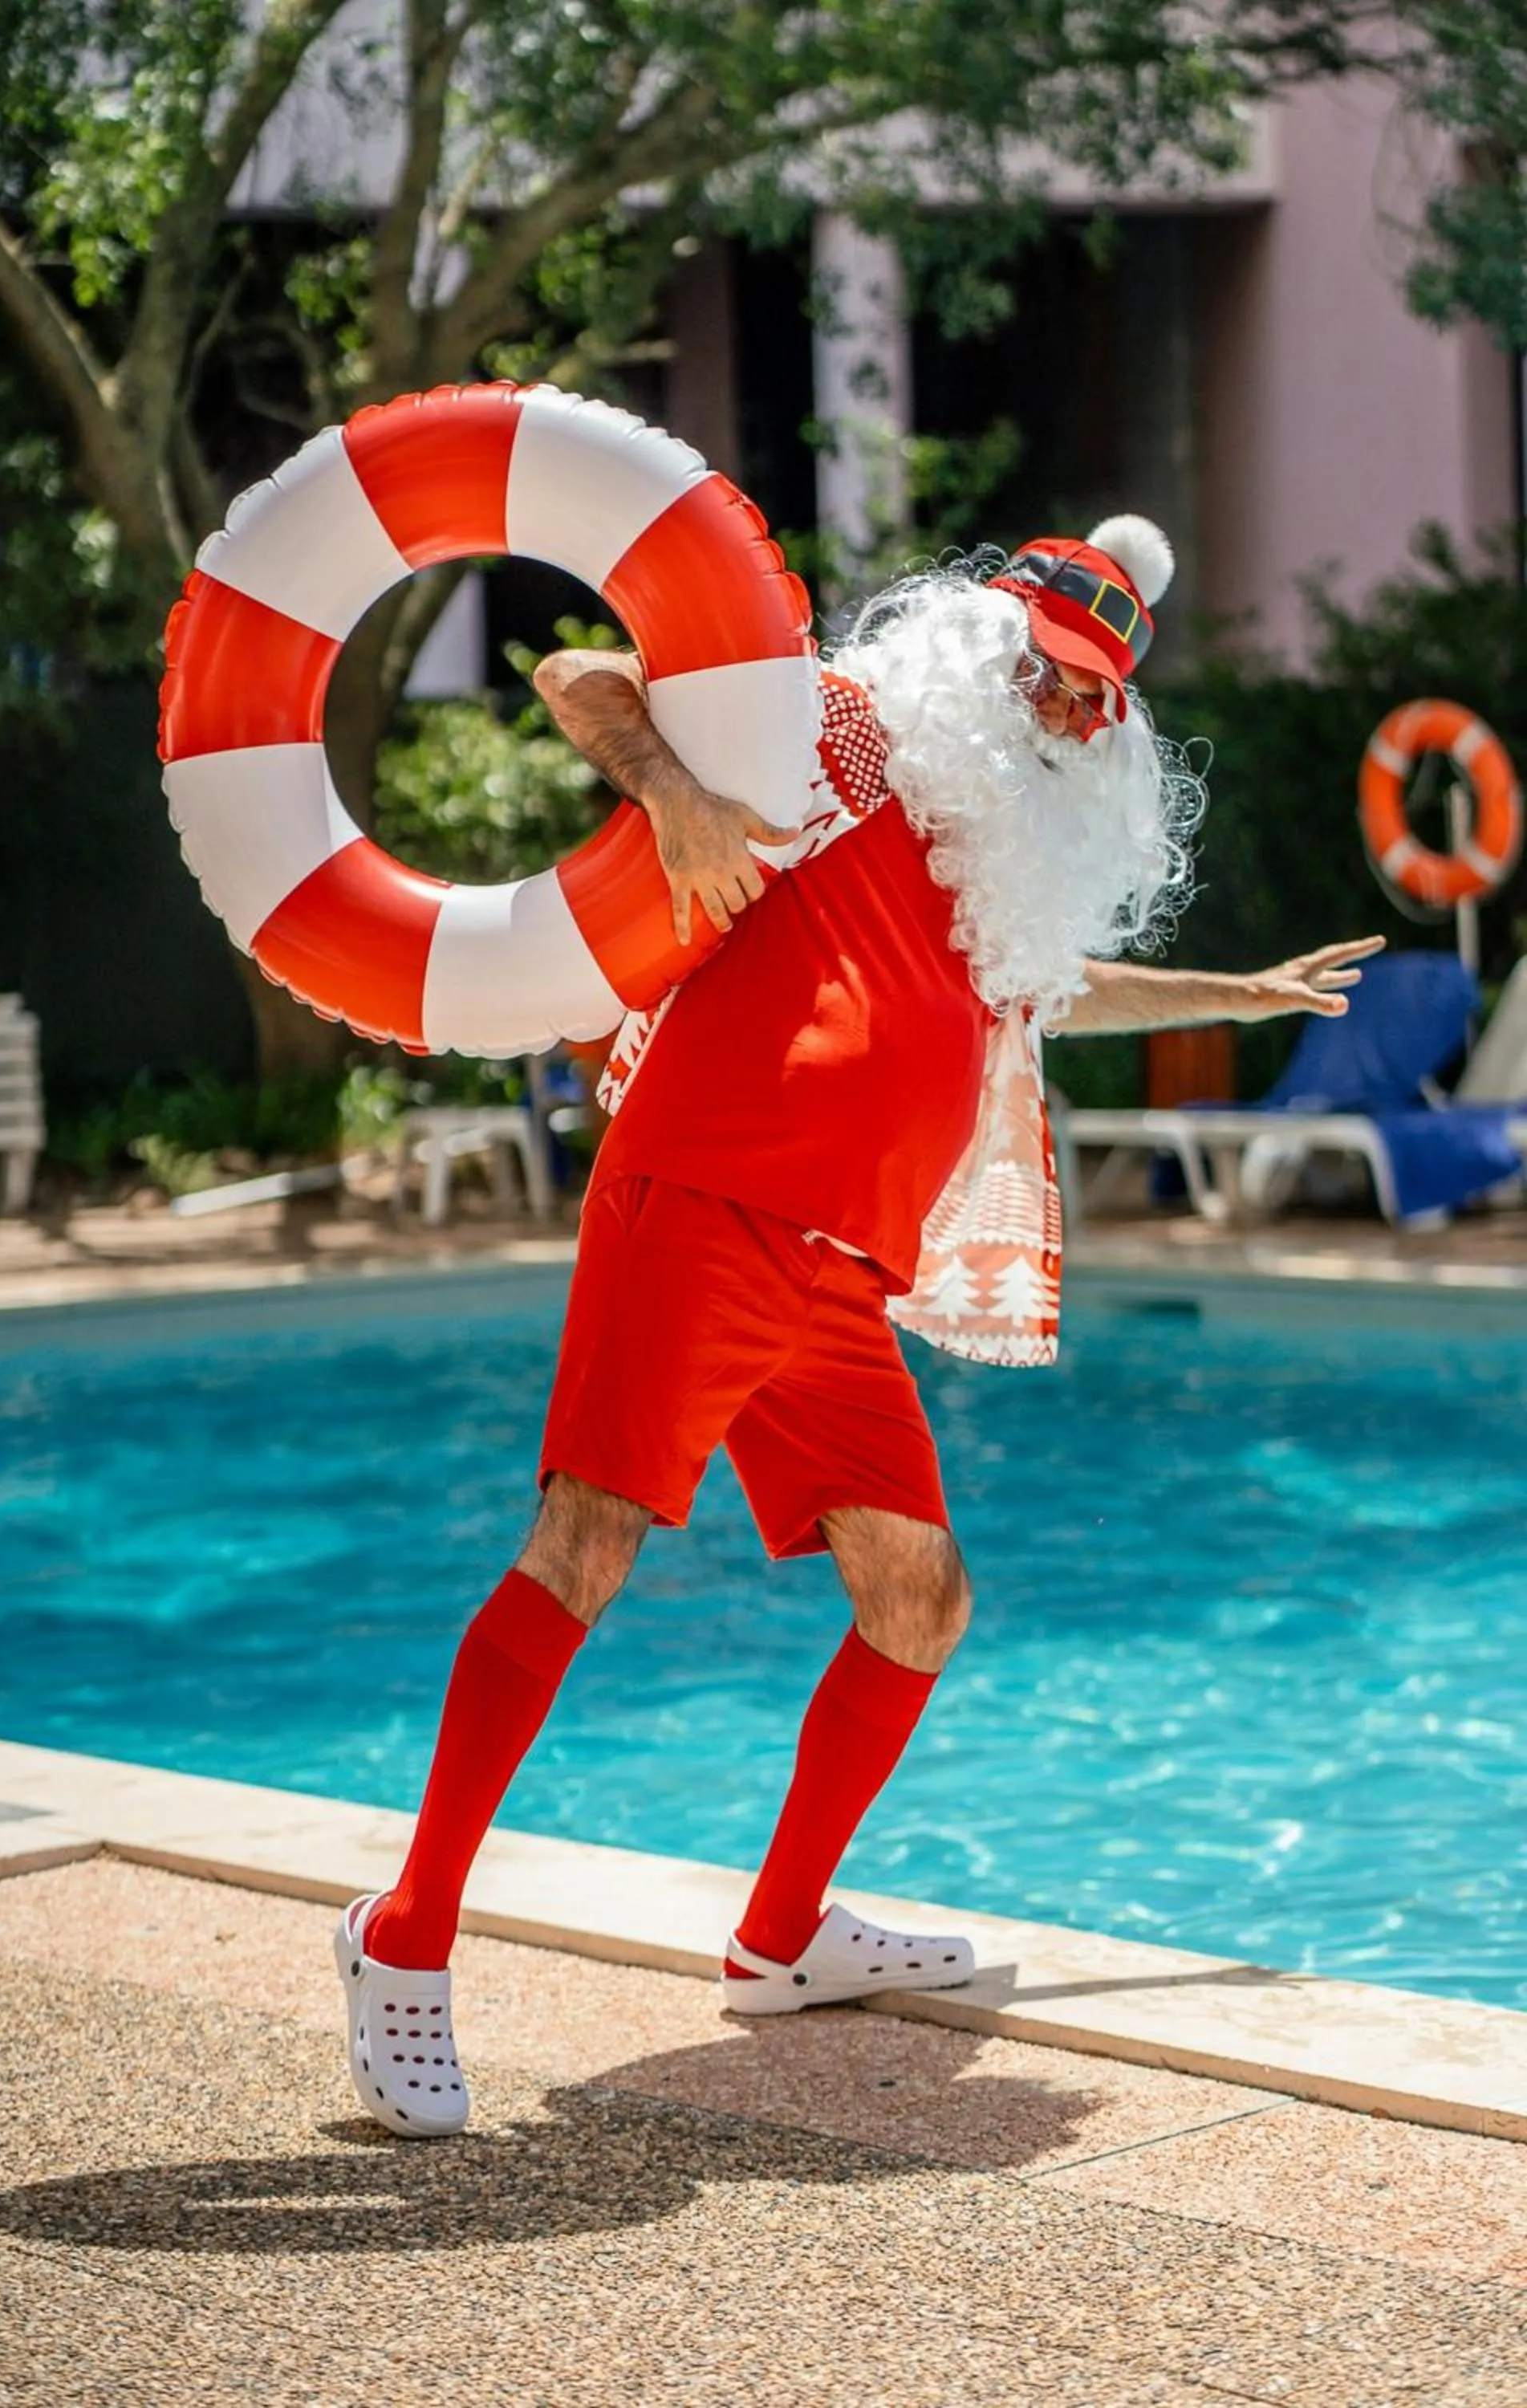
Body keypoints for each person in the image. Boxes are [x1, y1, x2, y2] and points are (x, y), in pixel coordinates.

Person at [335, 515, 1379, 2138]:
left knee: (921, 1594)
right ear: (975, 640)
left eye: (1086, 687)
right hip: (701, 1193)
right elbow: (582, 672)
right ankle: (401, 1943)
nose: (1054, 699)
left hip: (837, 1273)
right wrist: (676, 800)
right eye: (1036, 661)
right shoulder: (843, 727)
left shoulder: (993, 860)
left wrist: (1244, 996)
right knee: (585, 1548)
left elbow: (1046, 989)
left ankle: (780, 1938)